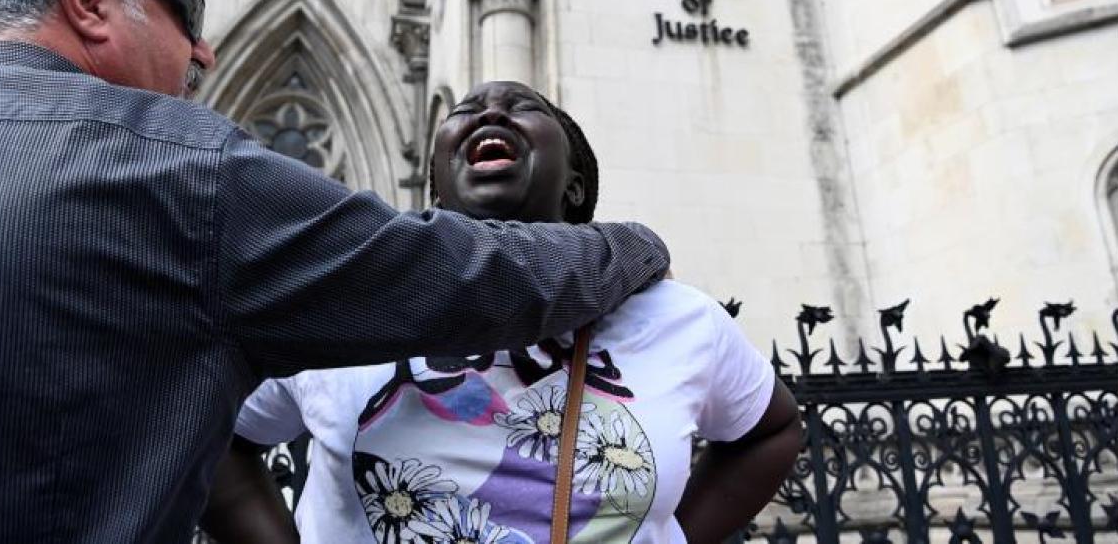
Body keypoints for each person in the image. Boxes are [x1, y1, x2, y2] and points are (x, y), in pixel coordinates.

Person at [0, 0, 672, 543]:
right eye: (185, 13)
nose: (203, 50)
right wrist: (630, 244)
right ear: (88, 1)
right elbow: (463, 276)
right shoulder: (176, 170)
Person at [202, 81, 801, 544]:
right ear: (437, 184)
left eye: (523, 107)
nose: (490, 113)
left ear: (575, 184)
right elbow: (210, 429)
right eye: (466, 110)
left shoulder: (679, 318)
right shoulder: (347, 301)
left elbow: (773, 431)